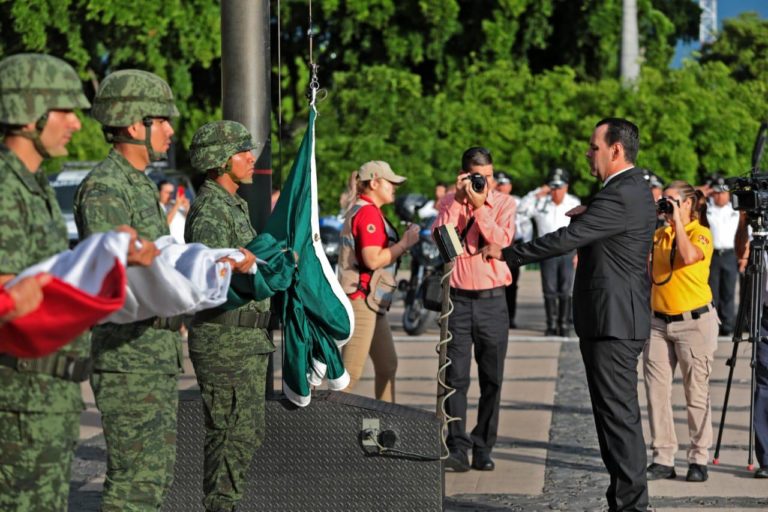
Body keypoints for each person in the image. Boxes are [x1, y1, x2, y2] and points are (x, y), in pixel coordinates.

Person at [0, 54, 156, 512]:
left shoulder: (36, 185)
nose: (75, 122)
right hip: (17, 402)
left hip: (48, 398)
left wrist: (110, 255)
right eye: (64, 111)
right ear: (31, 114)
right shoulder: (5, 187)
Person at [73, 69, 232, 511]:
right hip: (129, 357)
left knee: (154, 481)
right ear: (131, 125)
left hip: (151, 352)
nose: (170, 129)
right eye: (160, 120)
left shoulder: (138, 185)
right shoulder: (106, 187)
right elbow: (116, 267)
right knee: (134, 487)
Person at [483, 118, 654, 511]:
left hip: (614, 322)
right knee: (614, 422)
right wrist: (592, 208)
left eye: (594, 146)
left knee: (619, 422)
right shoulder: (626, 190)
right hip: (612, 320)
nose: (587, 152)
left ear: (615, 150)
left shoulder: (621, 193)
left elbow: (567, 239)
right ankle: (624, 502)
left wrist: (507, 254)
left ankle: (632, 507)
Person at [185, 120, 271, 512]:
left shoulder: (231, 202)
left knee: (244, 433)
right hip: (225, 342)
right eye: (241, 152)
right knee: (228, 434)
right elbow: (209, 271)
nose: (251, 158)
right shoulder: (210, 209)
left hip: (243, 341)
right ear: (219, 161)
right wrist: (242, 263)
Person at [434, 147, 516, 472]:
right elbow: (444, 244)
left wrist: (481, 208)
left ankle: (484, 445)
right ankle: (457, 446)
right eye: (478, 176)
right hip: (458, 301)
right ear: (465, 174)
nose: (486, 182)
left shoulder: (505, 204)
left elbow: (502, 242)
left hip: (493, 301)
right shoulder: (449, 202)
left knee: (491, 378)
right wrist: (457, 201)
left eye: (490, 176)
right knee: (455, 378)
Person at [643, 181, 717, 483]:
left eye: (672, 201)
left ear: (688, 204)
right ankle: (663, 456)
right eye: (664, 200)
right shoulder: (659, 235)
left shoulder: (701, 233)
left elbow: (687, 257)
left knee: (696, 393)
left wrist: (677, 223)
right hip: (659, 323)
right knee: (656, 393)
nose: (666, 205)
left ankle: (699, 457)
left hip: (694, 324)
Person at [338, 161, 420, 402]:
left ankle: (386, 420)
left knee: (387, 365)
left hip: (370, 300)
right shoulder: (368, 212)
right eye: (390, 182)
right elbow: (372, 260)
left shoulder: (361, 208)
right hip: (361, 300)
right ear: (374, 183)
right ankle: (323, 429)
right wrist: (404, 243)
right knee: (349, 375)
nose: (394, 187)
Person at [517, 168, 581, 335]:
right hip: (547, 252)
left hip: (568, 252)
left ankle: (564, 324)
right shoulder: (541, 203)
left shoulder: (573, 202)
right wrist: (538, 192)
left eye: (559, 187)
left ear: (566, 187)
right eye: (553, 187)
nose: (556, 191)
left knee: (566, 290)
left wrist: (579, 253)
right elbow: (522, 210)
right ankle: (551, 324)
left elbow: (582, 230)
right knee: (549, 290)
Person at [734, 212, 768, 478]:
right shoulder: (760, 230)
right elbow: (741, 254)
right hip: (765, 314)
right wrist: (744, 221)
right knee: (764, 385)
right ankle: (767, 458)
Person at [494, 171, 530, 328]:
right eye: (499, 184)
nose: (501, 187)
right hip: (495, 245)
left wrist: (525, 245)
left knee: (511, 284)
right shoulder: (490, 200)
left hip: (513, 245)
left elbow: (525, 225)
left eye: (504, 184)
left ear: (510, 186)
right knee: (494, 284)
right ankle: (495, 316)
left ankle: (510, 316)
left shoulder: (517, 202)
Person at [706, 176, 739, 336]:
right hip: (712, 255)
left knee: (729, 291)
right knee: (712, 292)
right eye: (717, 193)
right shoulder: (706, 208)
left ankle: (727, 325)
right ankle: (713, 324)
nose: (720, 196)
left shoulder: (735, 209)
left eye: (723, 193)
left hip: (730, 254)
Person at [158, 179, 188, 243]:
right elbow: (164, 224)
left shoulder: (176, 204)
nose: (170, 195)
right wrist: (177, 205)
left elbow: (190, 221)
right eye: (166, 192)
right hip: (172, 246)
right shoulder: (157, 207)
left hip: (185, 243)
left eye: (171, 193)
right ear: (159, 192)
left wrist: (187, 207)